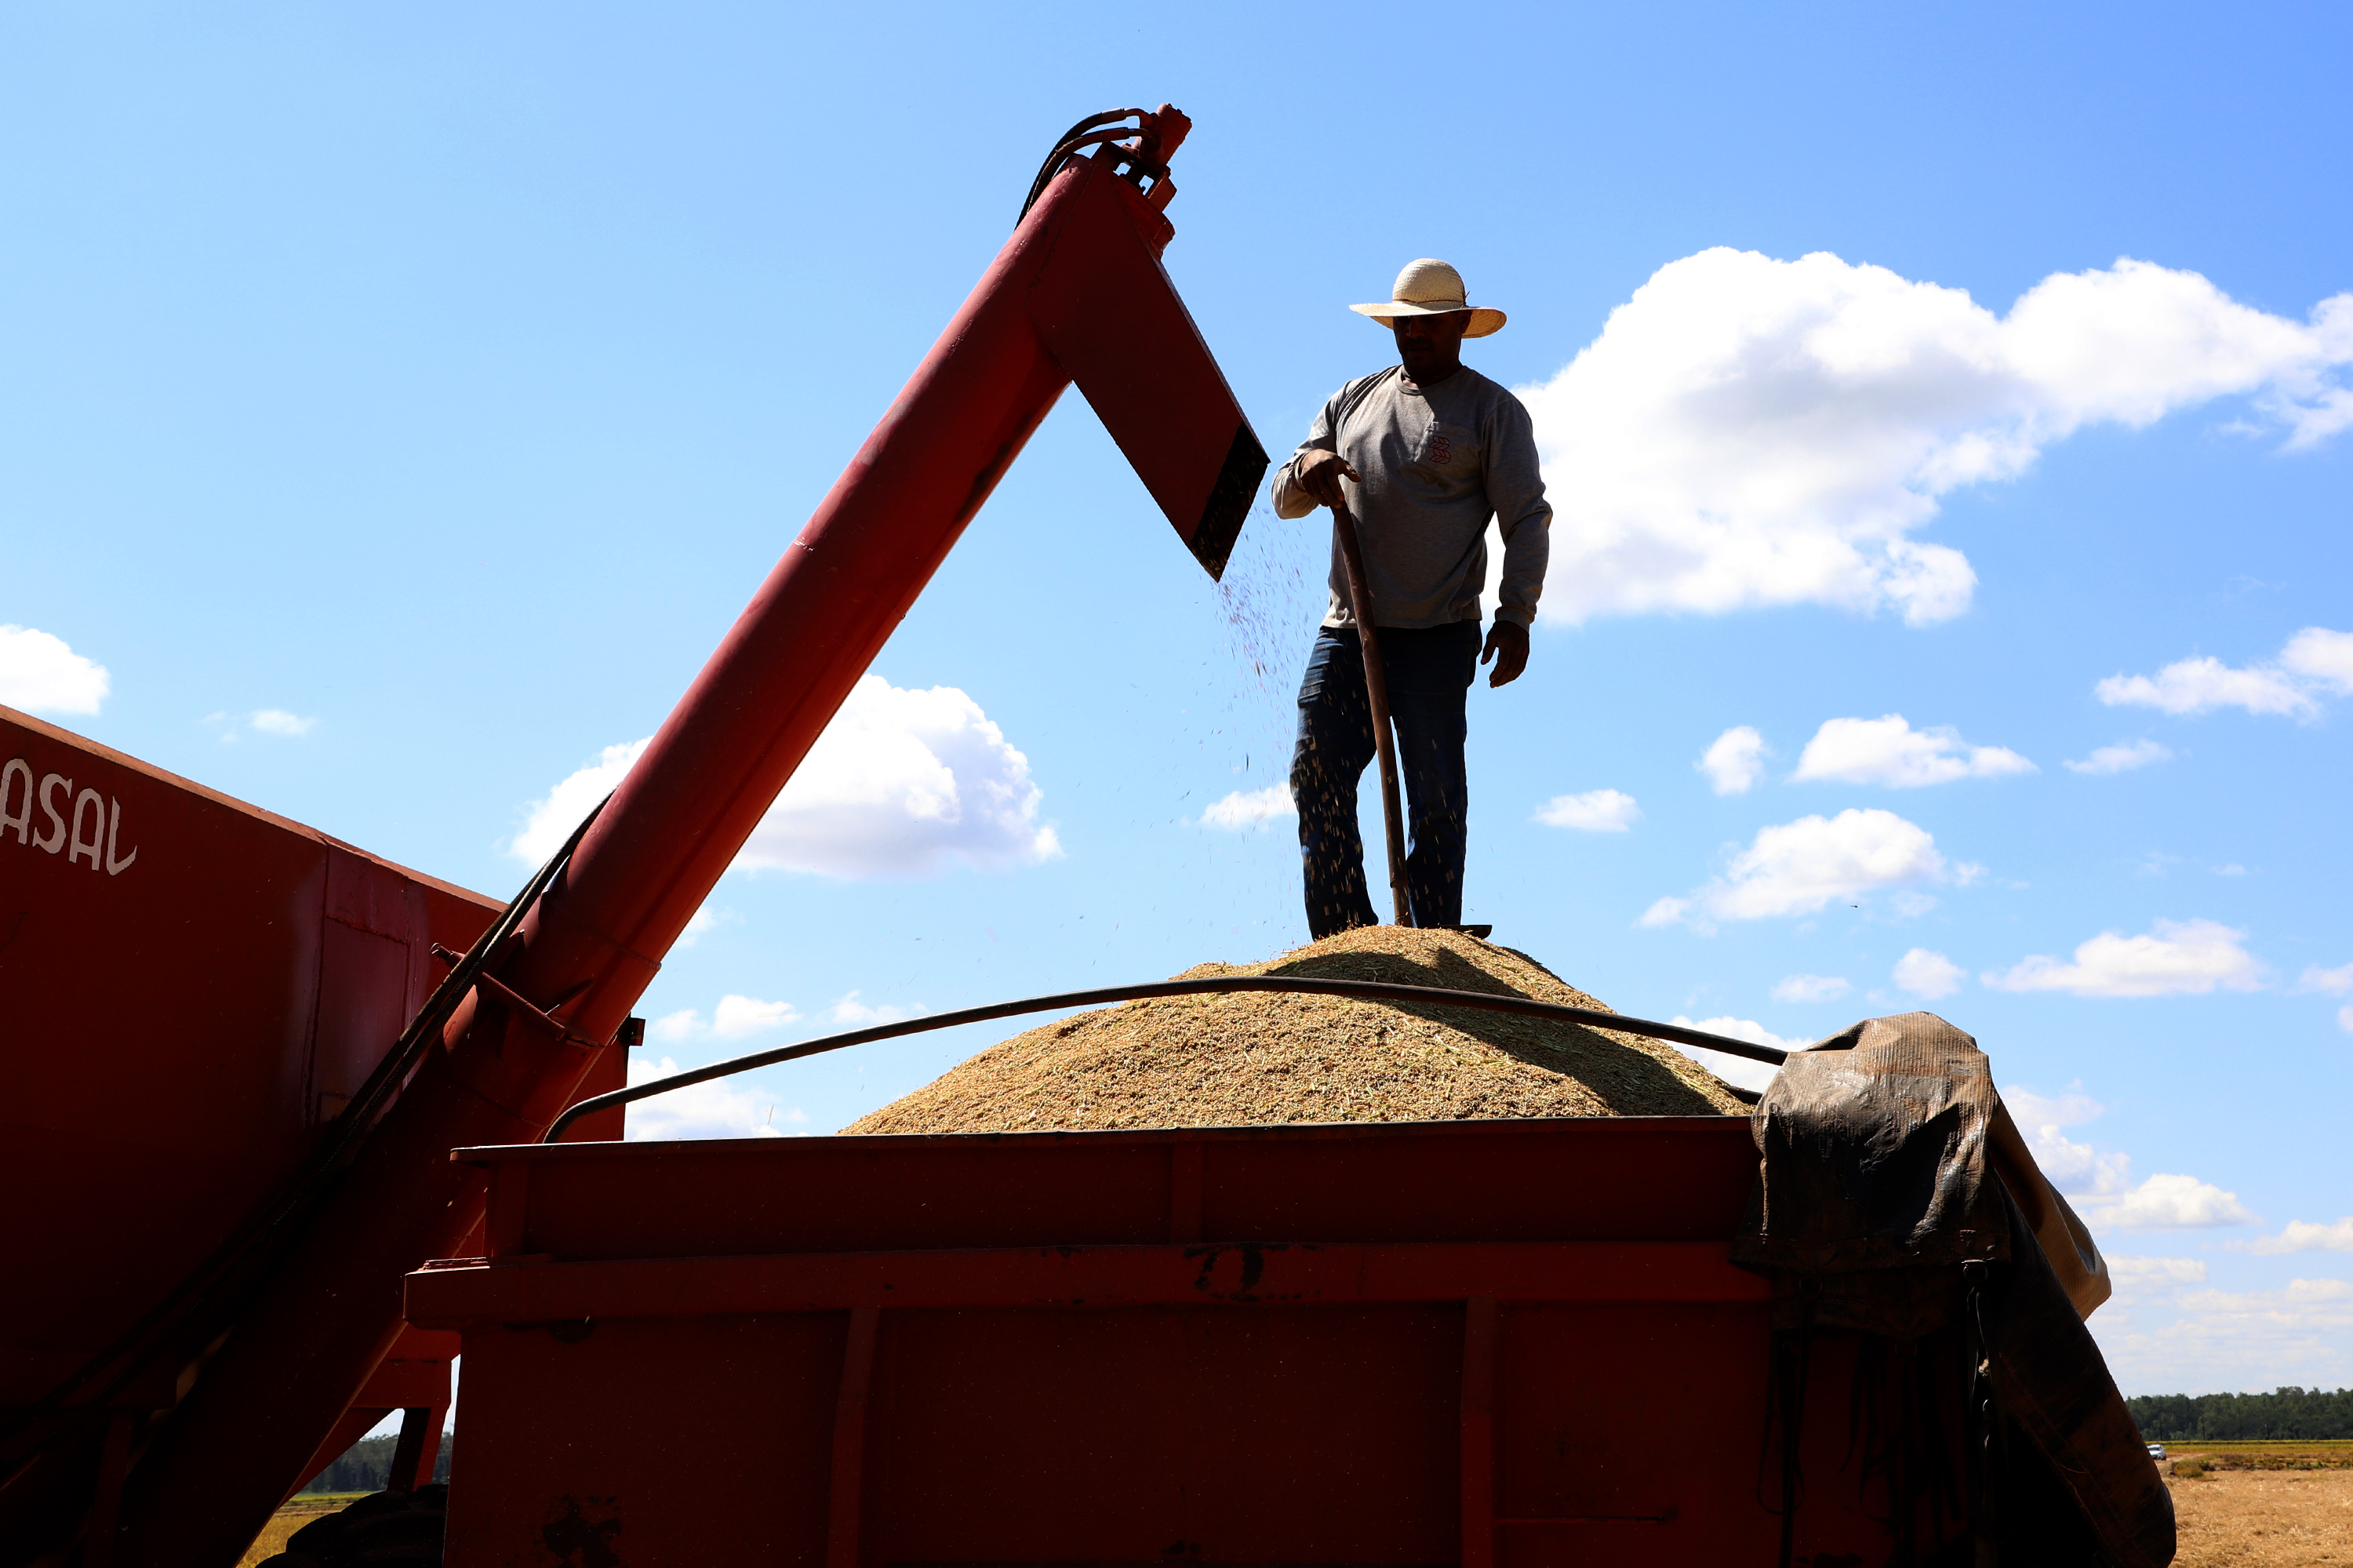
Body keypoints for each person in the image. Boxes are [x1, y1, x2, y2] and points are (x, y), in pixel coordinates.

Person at [1273, 258, 1551, 937]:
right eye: (1404, 323)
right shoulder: (1352, 399)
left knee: (1434, 800)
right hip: (1347, 631)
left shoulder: (1491, 412)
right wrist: (1308, 466)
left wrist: (1516, 616)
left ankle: (1431, 946)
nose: (1414, 334)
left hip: (1436, 634)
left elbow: (1526, 519)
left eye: (1429, 324)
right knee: (1316, 772)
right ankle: (1348, 939)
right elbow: (1284, 497)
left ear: (1461, 325)